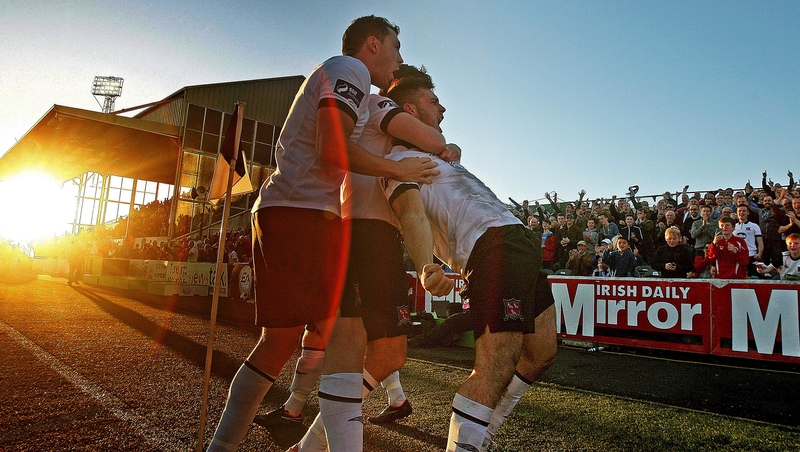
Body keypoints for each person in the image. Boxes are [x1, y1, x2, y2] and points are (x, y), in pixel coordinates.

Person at [206, 17, 442, 452]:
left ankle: (224, 446)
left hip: (288, 209)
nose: (399, 59)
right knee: (345, 337)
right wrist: (398, 169)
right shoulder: (348, 68)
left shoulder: (346, 79)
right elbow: (331, 146)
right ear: (373, 44)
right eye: (396, 47)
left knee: (281, 341)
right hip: (304, 214)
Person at [383, 74, 556, 452]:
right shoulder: (397, 161)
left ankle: (480, 435)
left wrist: (451, 148)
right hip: (492, 246)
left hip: (515, 240)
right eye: (433, 101)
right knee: (494, 368)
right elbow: (410, 214)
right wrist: (427, 266)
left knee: (542, 352)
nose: (442, 107)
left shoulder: (436, 152)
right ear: (409, 110)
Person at [734, 205, 764, 277]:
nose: (742, 213)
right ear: (737, 213)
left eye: (744, 211)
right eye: (740, 211)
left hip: (751, 256)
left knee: (753, 278)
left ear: (748, 213)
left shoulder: (754, 226)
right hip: (737, 257)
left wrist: (759, 253)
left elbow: (760, 241)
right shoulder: (733, 226)